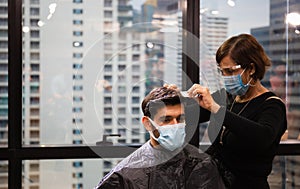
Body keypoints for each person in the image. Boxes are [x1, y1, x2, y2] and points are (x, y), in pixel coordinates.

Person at [186, 33, 287, 189]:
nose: (226, 77)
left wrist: (216, 108)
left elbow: (262, 138)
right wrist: (176, 97)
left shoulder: (272, 105)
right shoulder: (228, 98)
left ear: (251, 68)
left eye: (231, 71)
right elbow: (191, 115)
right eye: (222, 72)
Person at [94, 86, 225, 189]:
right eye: (166, 120)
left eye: (180, 118)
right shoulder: (126, 174)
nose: (175, 125)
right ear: (148, 123)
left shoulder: (202, 165)